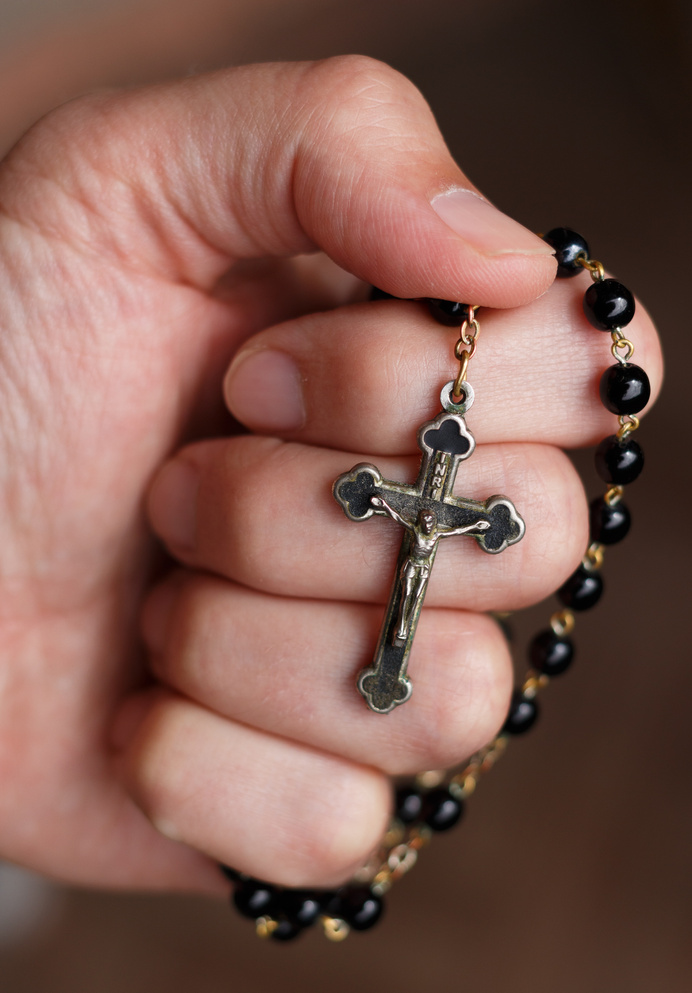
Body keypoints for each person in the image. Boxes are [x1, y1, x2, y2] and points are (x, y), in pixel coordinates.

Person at [0, 56, 662, 896]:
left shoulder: (449, 512)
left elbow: (463, 522)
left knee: (431, 628)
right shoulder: (406, 498)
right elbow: (406, 505)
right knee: (424, 627)